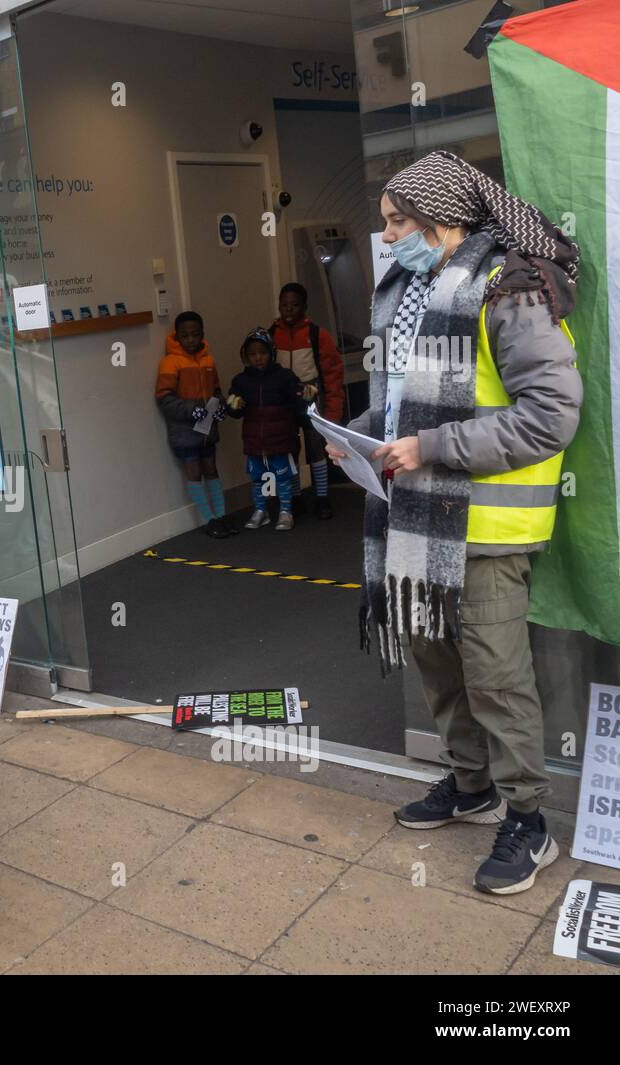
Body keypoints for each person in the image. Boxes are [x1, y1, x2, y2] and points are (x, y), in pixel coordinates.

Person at [328, 150, 581, 895]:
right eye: (384, 224)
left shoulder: (511, 289)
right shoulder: (412, 289)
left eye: (398, 221)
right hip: (417, 521)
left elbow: (550, 415)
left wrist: (430, 446)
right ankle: (471, 784)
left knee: (497, 677)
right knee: (435, 656)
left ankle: (529, 820)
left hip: (487, 526)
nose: (388, 237)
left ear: (446, 219)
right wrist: (359, 431)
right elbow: (407, 398)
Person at [271, 281, 346, 519]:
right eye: (284, 305)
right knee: (288, 451)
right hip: (285, 403)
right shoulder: (272, 335)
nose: (289, 309)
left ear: (304, 306)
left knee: (315, 449)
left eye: (294, 305)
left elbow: (333, 373)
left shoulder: (316, 334)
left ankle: (322, 497)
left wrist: (333, 413)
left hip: (311, 400)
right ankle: (295, 497)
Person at [155, 311, 231, 537]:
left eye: (195, 335)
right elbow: (164, 398)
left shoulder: (208, 359)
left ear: (202, 335)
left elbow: (216, 390)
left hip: (207, 428)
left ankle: (221, 516)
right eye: (185, 336)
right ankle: (209, 520)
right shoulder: (170, 362)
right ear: (177, 337)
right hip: (184, 430)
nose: (190, 340)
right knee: (194, 471)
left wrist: (220, 407)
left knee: (211, 468)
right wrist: (191, 410)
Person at [225, 327, 304, 531]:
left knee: (283, 476)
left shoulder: (285, 376)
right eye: (252, 354)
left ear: (271, 353)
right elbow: (233, 410)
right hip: (254, 440)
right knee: (258, 477)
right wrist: (233, 405)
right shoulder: (240, 381)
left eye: (262, 352)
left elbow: (298, 403)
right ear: (246, 356)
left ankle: (285, 511)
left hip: (280, 439)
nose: (258, 357)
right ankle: (262, 510)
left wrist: (305, 396)